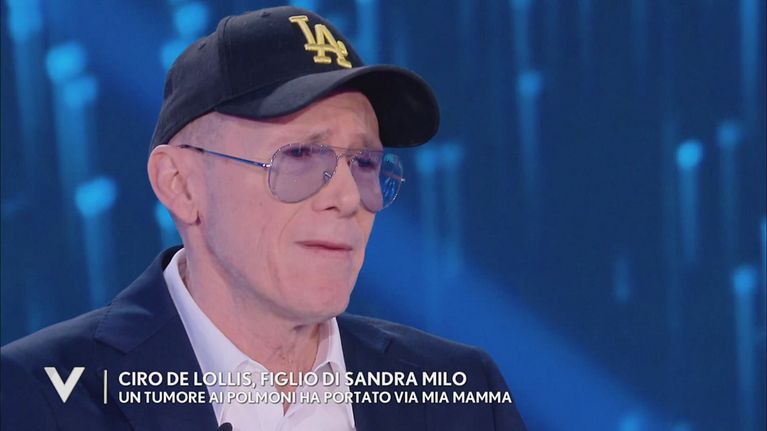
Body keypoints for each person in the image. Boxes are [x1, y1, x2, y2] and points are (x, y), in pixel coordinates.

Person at [1, 6, 526, 430]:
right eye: (299, 155)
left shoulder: (459, 393)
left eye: (364, 163)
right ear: (180, 184)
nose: (348, 197)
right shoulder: (38, 396)